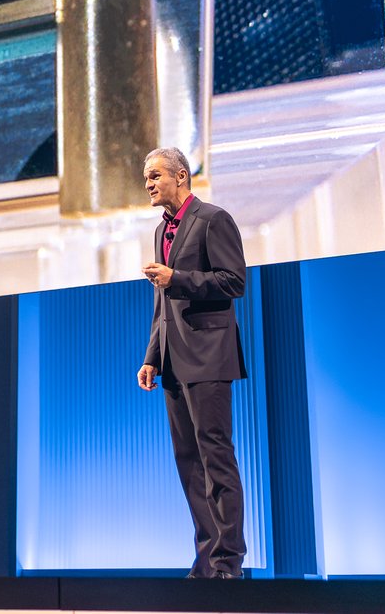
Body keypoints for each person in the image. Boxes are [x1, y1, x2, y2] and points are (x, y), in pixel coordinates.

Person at [137, 146, 248, 578]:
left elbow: (234, 281)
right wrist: (152, 356)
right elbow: (161, 303)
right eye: (146, 177)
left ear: (181, 176)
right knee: (189, 464)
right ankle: (205, 561)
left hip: (208, 356)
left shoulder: (213, 219)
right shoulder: (160, 230)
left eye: (155, 175)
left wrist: (177, 278)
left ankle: (227, 562)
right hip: (173, 359)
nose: (148, 183)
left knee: (216, 459)